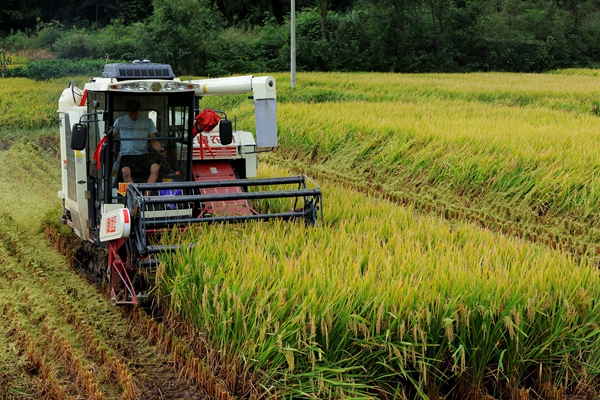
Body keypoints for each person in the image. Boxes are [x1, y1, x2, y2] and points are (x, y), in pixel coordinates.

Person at [113, 99, 166, 185]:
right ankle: (136, 196)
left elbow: (153, 140)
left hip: (143, 154)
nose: (133, 116)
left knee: (156, 168)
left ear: (140, 110)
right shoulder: (119, 121)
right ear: (127, 112)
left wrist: (159, 148)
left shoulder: (148, 122)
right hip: (127, 155)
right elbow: (111, 136)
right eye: (131, 114)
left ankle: (146, 196)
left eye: (135, 113)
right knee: (125, 171)